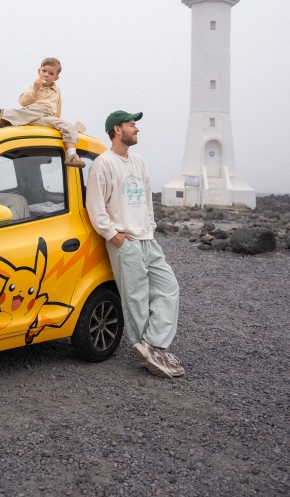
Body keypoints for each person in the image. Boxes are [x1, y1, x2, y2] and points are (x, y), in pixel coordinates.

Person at [86, 110, 184, 378]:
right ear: (117, 130)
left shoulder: (138, 161)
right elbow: (94, 204)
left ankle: (152, 345)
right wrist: (113, 235)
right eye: (132, 125)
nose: (136, 129)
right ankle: (151, 354)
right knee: (136, 298)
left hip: (147, 239)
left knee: (169, 288)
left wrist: (150, 226)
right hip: (124, 241)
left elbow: (147, 197)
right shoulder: (103, 163)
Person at [0, 57, 85, 168]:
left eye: (51, 74)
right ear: (39, 71)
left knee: (66, 125)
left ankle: (72, 155)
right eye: (44, 71)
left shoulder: (57, 90)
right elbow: (22, 102)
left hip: (46, 115)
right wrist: (35, 89)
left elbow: (58, 106)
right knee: (14, 113)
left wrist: (56, 121)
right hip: (32, 111)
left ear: (56, 78)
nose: (46, 75)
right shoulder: (33, 87)